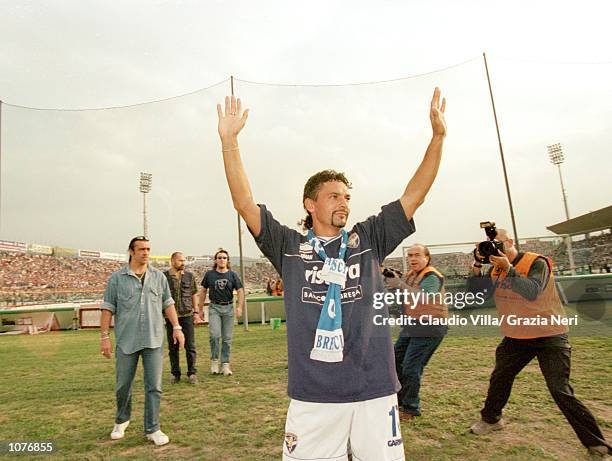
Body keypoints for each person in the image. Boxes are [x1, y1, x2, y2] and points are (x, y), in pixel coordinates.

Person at [216, 89, 446, 461]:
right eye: (334, 196)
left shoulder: (368, 237)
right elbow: (244, 203)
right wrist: (229, 142)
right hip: (315, 391)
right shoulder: (288, 246)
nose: (344, 202)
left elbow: (415, 195)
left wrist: (437, 139)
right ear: (310, 204)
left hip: (373, 384)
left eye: (347, 197)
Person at [467, 228, 611, 458]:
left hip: (549, 333)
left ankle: (596, 442)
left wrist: (508, 268)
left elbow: (531, 291)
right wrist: (476, 265)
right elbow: (476, 295)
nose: (495, 249)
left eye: (499, 244)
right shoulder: (495, 269)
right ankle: (491, 419)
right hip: (516, 336)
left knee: (560, 389)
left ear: (511, 242)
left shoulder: (537, 262)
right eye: (490, 246)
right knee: (500, 377)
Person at [100, 236, 185, 446]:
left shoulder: (158, 277)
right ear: (131, 251)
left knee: (154, 386)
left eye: (148, 249)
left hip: (153, 339)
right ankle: (121, 420)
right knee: (123, 385)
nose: (145, 253)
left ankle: (153, 428)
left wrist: (176, 327)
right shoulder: (117, 279)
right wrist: (104, 337)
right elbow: (108, 307)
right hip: (126, 341)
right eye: (141, 249)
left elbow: (168, 303)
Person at [387, 244, 447, 421]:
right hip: (413, 325)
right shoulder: (411, 275)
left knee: (411, 367)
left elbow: (424, 296)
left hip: (430, 327)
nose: (413, 258)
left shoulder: (431, 276)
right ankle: (397, 400)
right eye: (410, 255)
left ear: (427, 257)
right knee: (396, 360)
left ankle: (411, 407)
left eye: (417, 255)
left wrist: (399, 284)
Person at [198, 249, 245, 376]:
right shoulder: (209, 274)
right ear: (215, 260)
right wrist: (200, 309)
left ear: (227, 260)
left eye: (224, 258)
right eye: (219, 257)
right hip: (215, 308)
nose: (222, 260)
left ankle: (225, 364)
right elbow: (202, 291)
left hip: (228, 308)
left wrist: (239, 307)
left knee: (227, 338)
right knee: (214, 335)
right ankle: (214, 361)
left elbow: (240, 291)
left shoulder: (232, 275)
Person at [163, 252, 199, 385]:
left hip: (187, 315)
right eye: (180, 261)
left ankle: (192, 373)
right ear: (172, 261)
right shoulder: (164, 277)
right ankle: (175, 373)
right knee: (173, 347)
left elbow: (194, 294)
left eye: (184, 261)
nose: (183, 263)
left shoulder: (189, 276)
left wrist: (196, 312)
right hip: (170, 318)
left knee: (190, 346)